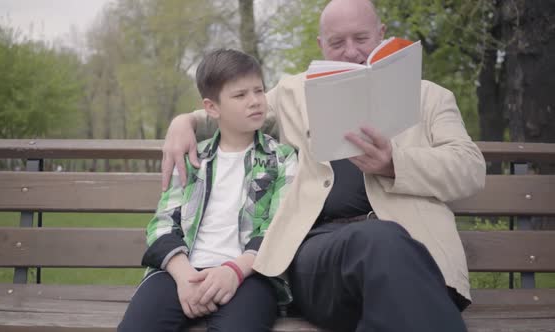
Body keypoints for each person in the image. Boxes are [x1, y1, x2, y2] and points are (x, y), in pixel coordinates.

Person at [160, 0, 486, 331]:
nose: (350, 52)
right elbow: (234, 111)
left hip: (416, 258)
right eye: (337, 42)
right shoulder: (292, 94)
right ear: (321, 45)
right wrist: (184, 121)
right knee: (379, 245)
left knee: (386, 254)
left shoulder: (429, 97)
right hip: (321, 259)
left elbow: (471, 169)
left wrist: (393, 164)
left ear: (382, 34)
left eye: (361, 38)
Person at [118, 49, 297, 332]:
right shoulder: (193, 158)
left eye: (259, 91)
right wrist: (184, 275)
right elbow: (162, 224)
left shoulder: (282, 158)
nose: (255, 101)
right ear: (212, 108)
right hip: (181, 270)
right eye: (240, 96)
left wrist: (234, 271)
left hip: (250, 275)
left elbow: (280, 226)